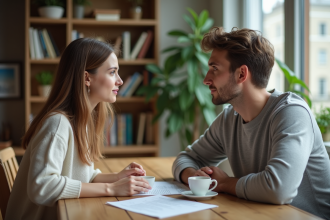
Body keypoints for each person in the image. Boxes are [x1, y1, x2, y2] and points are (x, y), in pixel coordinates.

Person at [172, 27, 330, 219]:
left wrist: (224, 183)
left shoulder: (291, 113)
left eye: (215, 68)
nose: (206, 79)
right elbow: (186, 158)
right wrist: (194, 176)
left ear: (241, 74)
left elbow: (279, 189)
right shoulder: (230, 118)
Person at [5, 38, 152, 220]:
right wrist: (111, 189)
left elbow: (81, 176)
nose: (120, 81)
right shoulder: (58, 123)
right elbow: (41, 186)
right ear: (86, 78)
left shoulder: (81, 120)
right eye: (112, 72)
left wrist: (117, 177)